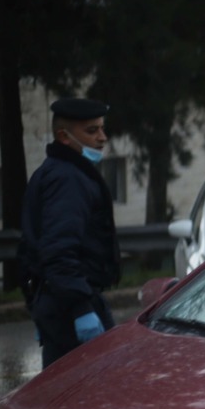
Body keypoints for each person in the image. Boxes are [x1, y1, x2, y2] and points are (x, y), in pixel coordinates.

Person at [18, 97, 121, 368]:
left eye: (102, 128)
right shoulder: (68, 179)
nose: (102, 137)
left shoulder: (55, 171)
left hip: (59, 300)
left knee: (63, 386)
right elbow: (58, 250)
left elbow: (30, 248)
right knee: (94, 387)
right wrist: (81, 309)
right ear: (64, 136)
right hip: (71, 304)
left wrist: (36, 304)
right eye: (91, 131)